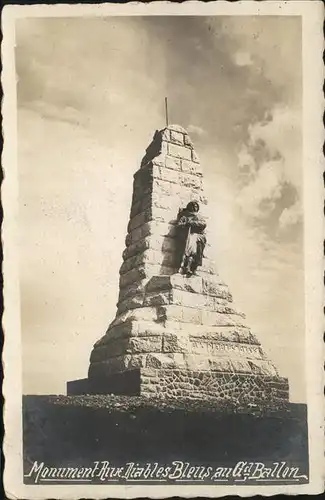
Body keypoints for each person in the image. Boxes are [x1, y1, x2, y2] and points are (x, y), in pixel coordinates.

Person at [177, 201, 207, 276]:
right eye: (193, 206)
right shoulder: (185, 217)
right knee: (191, 244)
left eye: (196, 206)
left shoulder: (199, 216)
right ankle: (187, 266)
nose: (194, 208)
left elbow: (203, 224)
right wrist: (186, 224)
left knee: (195, 244)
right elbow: (179, 225)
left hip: (199, 236)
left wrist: (192, 223)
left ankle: (192, 266)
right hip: (188, 236)